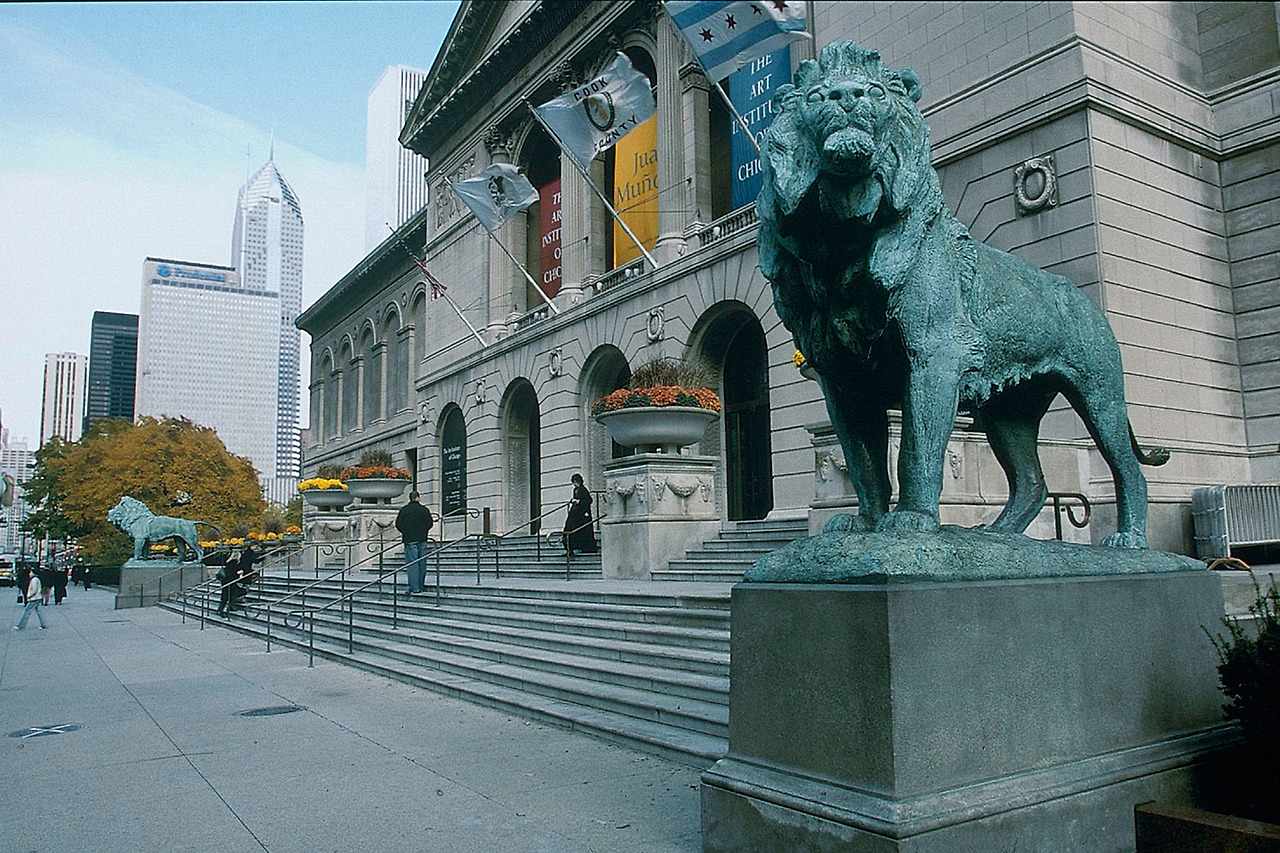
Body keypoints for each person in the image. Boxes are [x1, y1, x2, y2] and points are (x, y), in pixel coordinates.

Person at [395, 491, 434, 596]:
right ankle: (421, 585)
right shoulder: (424, 510)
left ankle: (414, 587)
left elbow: (398, 524)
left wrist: (406, 531)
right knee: (422, 563)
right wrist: (423, 531)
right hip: (422, 538)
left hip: (409, 539)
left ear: (410, 498)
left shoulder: (404, 510)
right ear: (418, 498)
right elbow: (430, 523)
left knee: (412, 563)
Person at [563, 474, 597, 557]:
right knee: (568, 528)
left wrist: (579, 501)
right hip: (575, 513)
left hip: (582, 514)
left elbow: (588, 500)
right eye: (573, 482)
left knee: (580, 529)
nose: (575, 484)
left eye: (576, 482)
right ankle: (569, 548)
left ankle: (584, 547)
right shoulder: (575, 490)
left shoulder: (583, 490)